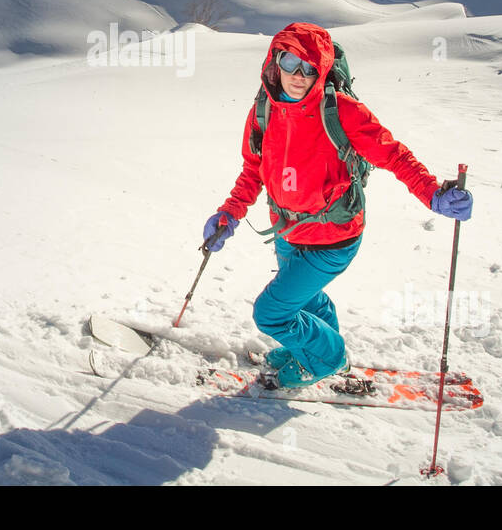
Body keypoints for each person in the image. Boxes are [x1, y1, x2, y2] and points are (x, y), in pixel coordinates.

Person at [202, 22, 473, 388]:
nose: (298, 75)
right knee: (307, 300)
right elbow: (254, 170)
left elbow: (393, 155)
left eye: (309, 67)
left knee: (271, 315)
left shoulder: (341, 110)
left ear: (322, 70)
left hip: (333, 239)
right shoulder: (263, 110)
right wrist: (229, 214)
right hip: (287, 231)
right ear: (275, 59)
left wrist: (433, 194)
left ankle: (327, 358)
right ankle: (309, 350)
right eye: (290, 61)